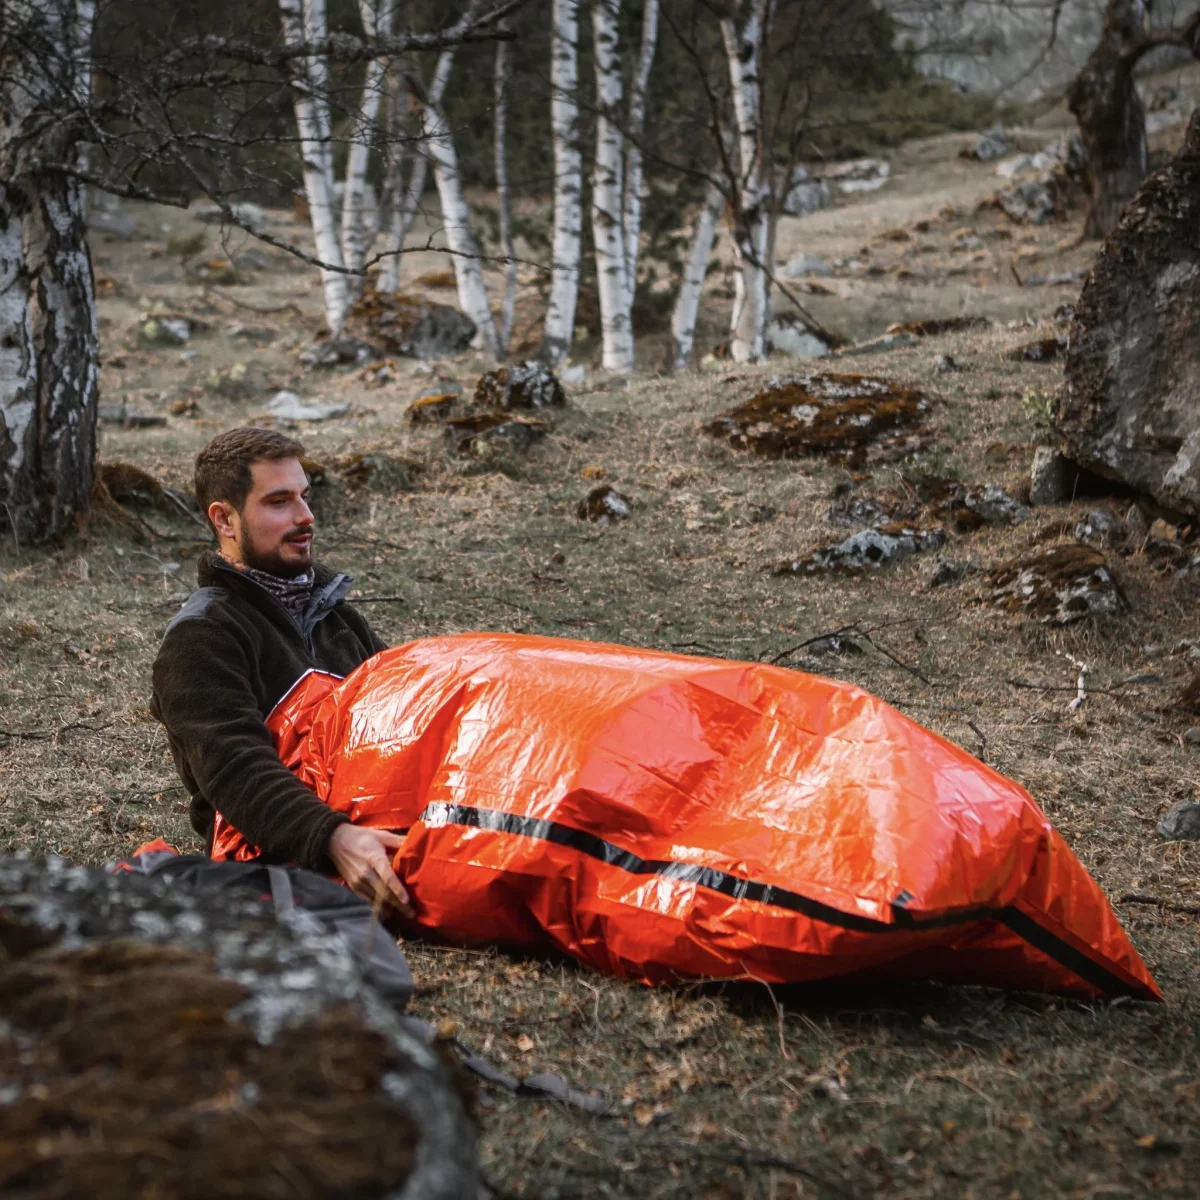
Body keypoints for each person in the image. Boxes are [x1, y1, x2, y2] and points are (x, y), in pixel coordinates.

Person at [151, 427, 412, 914]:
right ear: (224, 519)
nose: (305, 517)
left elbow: (407, 707)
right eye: (279, 502)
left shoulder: (334, 613)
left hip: (383, 806)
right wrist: (332, 837)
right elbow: (233, 766)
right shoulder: (202, 636)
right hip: (279, 852)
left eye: (305, 497)